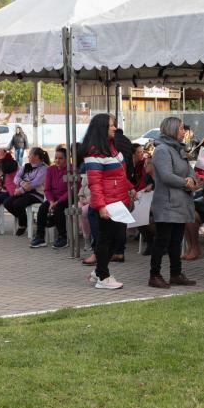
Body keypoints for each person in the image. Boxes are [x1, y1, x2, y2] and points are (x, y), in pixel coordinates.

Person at [82, 114, 132, 289]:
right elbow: (95, 184)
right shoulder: (94, 152)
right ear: (102, 128)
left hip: (118, 202)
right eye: (111, 125)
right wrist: (102, 207)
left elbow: (119, 174)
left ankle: (98, 271)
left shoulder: (112, 148)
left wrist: (130, 186)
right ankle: (103, 277)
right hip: (107, 204)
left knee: (117, 239)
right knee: (107, 240)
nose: (114, 128)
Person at [148, 116, 198, 289]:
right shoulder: (162, 150)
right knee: (162, 241)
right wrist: (186, 182)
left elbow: (190, 170)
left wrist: (192, 178)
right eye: (182, 128)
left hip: (180, 203)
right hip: (167, 204)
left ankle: (176, 273)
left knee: (176, 240)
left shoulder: (179, 149)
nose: (184, 132)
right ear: (172, 130)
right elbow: (166, 175)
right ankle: (154, 275)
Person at [3, 147, 49, 237]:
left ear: (36, 156)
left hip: (37, 194)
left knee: (17, 204)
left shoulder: (44, 169)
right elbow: (16, 178)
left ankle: (23, 224)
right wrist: (22, 182)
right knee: (7, 202)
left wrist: (21, 190)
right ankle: (26, 220)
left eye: (30, 154)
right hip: (25, 191)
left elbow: (35, 183)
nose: (28, 156)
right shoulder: (26, 166)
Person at [30, 147, 69, 249]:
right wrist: (51, 201)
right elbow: (47, 189)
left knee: (59, 208)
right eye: (56, 158)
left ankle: (63, 237)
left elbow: (72, 191)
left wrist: (57, 202)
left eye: (60, 158)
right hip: (53, 198)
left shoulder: (71, 170)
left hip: (66, 198)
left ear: (66, 159)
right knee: (42, 208)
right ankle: (40, 237)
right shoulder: (51, 170)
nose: (57, 160)